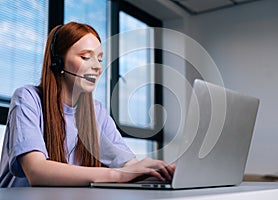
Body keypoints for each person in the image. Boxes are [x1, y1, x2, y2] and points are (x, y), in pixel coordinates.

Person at [0, 22, 175, 187]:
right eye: (85, 57)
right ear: (58, 62)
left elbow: (129, 166)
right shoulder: (28, 98)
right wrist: (118, 174)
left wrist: (161, 173)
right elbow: (36, 170)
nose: (97, 67)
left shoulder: (97, 111)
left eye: (99, 59)